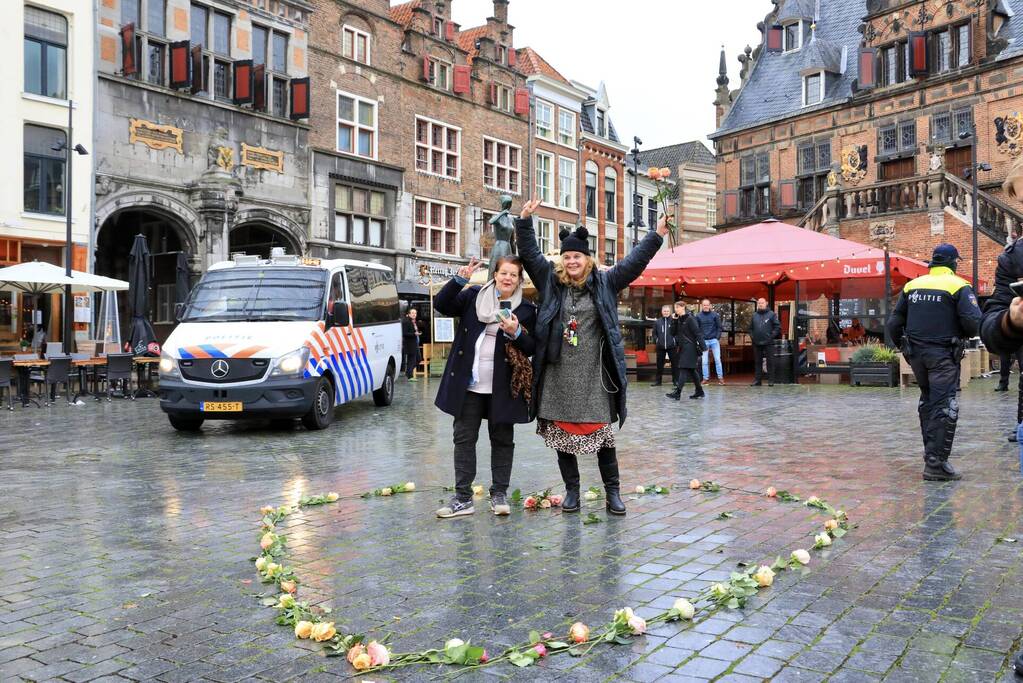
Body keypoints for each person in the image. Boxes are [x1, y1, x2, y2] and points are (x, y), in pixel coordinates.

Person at [516, 198, 669, 516]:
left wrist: (655, 236)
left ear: (588, 260)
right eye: (567, 256)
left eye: (578, 256)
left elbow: (634, 263)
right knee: (561, 437)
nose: (572, 261)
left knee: (602, 436)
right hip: (557, 373)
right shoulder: (550, 282)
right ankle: (573, 492)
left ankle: (613, 492)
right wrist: (525, 221)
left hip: (593, 374)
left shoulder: (605, 283)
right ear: (561, 259)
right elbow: (529, 255)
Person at [432, 255, 537, 519]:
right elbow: (442, 304)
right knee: (464, 438)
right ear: (495, 274)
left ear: (519, 280)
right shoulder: (473, 297)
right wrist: (459, 280)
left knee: (502, 440)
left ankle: (499, 493)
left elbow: (534, 346)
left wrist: (516, 332)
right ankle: (462, 498)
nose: (508, 278)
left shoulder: (525, 309)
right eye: (503, 273)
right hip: (469, 384)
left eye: (513, 275)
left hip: (502, 386)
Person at [887, 244, 981, 481]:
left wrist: (905, 349)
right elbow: (973, 323)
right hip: (943, 355)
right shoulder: (958, 285)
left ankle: (931, 456)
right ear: (952, 263)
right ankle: (935, 463)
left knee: (927, 402)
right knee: (944, 406)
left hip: (917, 355)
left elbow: (893, 323)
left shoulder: (912, 285)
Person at [666, 301, 706, 400]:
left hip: (690, 347)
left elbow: (697, 333)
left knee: (683, 368)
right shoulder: (678, 319)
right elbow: (672, 332)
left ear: (683, 307)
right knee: (692, 370)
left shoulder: (690, 319)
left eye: (677, 308)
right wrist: (674, 321)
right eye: (675, 308)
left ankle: (678, 392)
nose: (676, 310)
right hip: (683, 347)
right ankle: (699, 391)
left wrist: (703, 346)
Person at [750, 298, 781, 386]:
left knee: (770, 362)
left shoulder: (771, 314)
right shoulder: (754, 315)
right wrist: (753, 338)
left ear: (766, 303)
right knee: (757, 362)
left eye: (762, 303)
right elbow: (750, 328)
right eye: (759, 303)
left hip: (769, 342)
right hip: (757, 342)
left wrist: (771, 337)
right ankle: (757, 380)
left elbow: (777, 327)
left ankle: (771, 380)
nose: (760, 304)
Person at [696, 299, 724, 384]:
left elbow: (719, 327)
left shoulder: (715, 315)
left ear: (710, 306)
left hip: (714, 340)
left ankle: (720, 378)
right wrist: (699, 339)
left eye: (707, 305)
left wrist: (717, 338)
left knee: (717, 360)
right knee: (704, 361)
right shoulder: (698, 316)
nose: (706, 306)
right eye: (704, 305)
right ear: (702, 306)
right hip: (704, 341)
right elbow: (696, 329)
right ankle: (705, 378)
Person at [650, 305, 677, 387]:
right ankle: (658, 381)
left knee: (674, 364)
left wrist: (675, 341)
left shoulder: (673, 321)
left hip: (671, 346)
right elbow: (654, 334)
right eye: (664, 311)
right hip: (660, 346)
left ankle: (675, 381)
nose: (666, 312)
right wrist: (657, 341)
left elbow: (678, 332)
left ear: (670, 312)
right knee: (659, 365)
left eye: (667, 311)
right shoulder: (657, 322)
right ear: (662, 312)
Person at [401, 308, 422, 380]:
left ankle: (408, 372)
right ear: (409, 314)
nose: (414, 314)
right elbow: (404, 333)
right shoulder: (406, 321)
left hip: (415, 343)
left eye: (415, 313)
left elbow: (414, 331)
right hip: (409, 344)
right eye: (412, 313)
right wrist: (414, 334)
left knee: (418, 359)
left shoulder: (414, 322)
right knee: (412, 360)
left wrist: (417, 333)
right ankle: (410, 375)